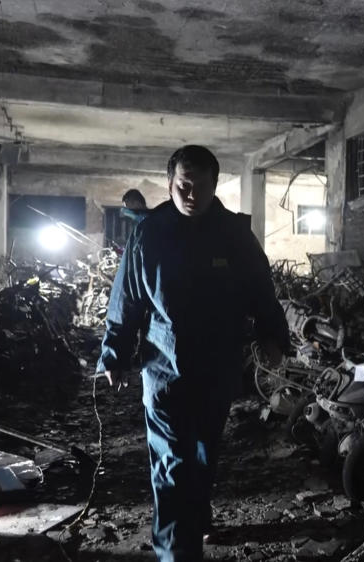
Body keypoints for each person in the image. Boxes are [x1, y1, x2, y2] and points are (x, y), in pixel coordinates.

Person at [97, 145, 288, 561]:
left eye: (201, 186)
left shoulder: (234, 234)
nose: (191, 194)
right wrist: (114, 353)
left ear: (215, 185)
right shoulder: (149, 233)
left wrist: (273, 335)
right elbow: (126, 299)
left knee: (203, 452)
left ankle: (196, 517)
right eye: (184, 185)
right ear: (170, 183)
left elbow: (261, 288)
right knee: (171, 463)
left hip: (217, 368)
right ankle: (176, 552)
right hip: (164, 368)